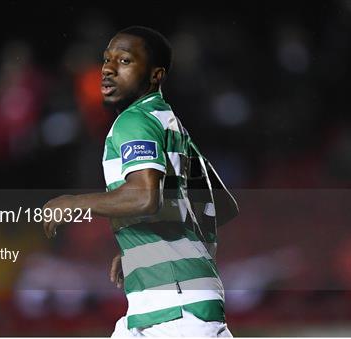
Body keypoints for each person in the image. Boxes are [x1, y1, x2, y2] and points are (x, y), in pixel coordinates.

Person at [43, 26, 237, 337]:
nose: (107, 69)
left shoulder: (134, 121)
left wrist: (72, 203)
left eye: (124, 61)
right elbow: (222, 206)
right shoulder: (172, 126)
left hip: (176, 313)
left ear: (155, 75)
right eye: (106, 60)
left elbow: (145, 196)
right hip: (173, 305)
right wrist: (144, 250)